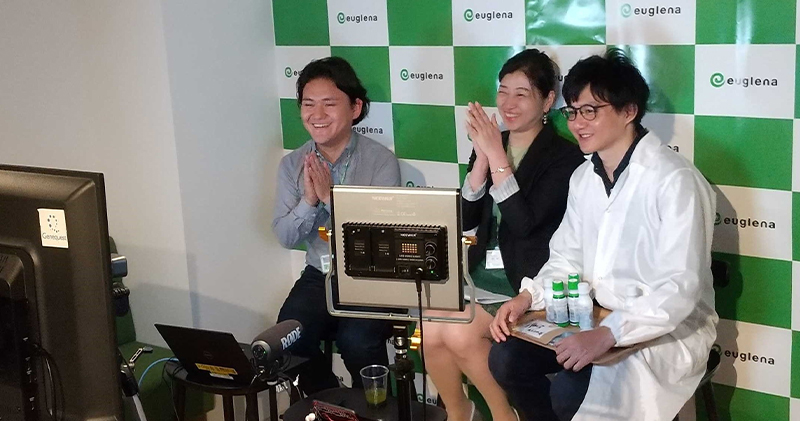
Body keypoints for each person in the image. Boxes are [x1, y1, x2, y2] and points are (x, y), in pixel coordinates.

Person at [487, 49, 718, 421]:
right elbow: (566, 257)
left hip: (662, 328)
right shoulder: (584, 178)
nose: (578, 123)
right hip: (595, 315)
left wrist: (610, 332)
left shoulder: (674, 181)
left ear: (629, 112)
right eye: (572, 112)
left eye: (590, 111)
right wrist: (529, 296)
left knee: (570, 390)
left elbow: (679, 288)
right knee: (506, 359)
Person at [422, 49, 585, 421]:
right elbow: (465, 218)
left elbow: (525, 224)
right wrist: (481, 160)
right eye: (503, 92)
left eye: (522, 94)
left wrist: (496, 154)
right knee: (429, 326)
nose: (508, 104)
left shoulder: (565, 158)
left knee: (461, 334)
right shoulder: (494, 142)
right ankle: (460, 414)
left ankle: (503, 415)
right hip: (478, 272)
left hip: (526, 282)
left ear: (548, 101)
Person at [272, 57, 400, 395]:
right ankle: (332, 402)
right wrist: (309, 201)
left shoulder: (380, 161)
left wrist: (331, 198)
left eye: (329, 103)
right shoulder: (292, 164)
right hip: (321, 273)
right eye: (308, 104)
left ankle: (376, 410)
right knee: (286, 337)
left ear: (355, 108)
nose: (317, 114)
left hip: (372, 275)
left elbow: (381, 238)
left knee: (357, 341)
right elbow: (284, 235)